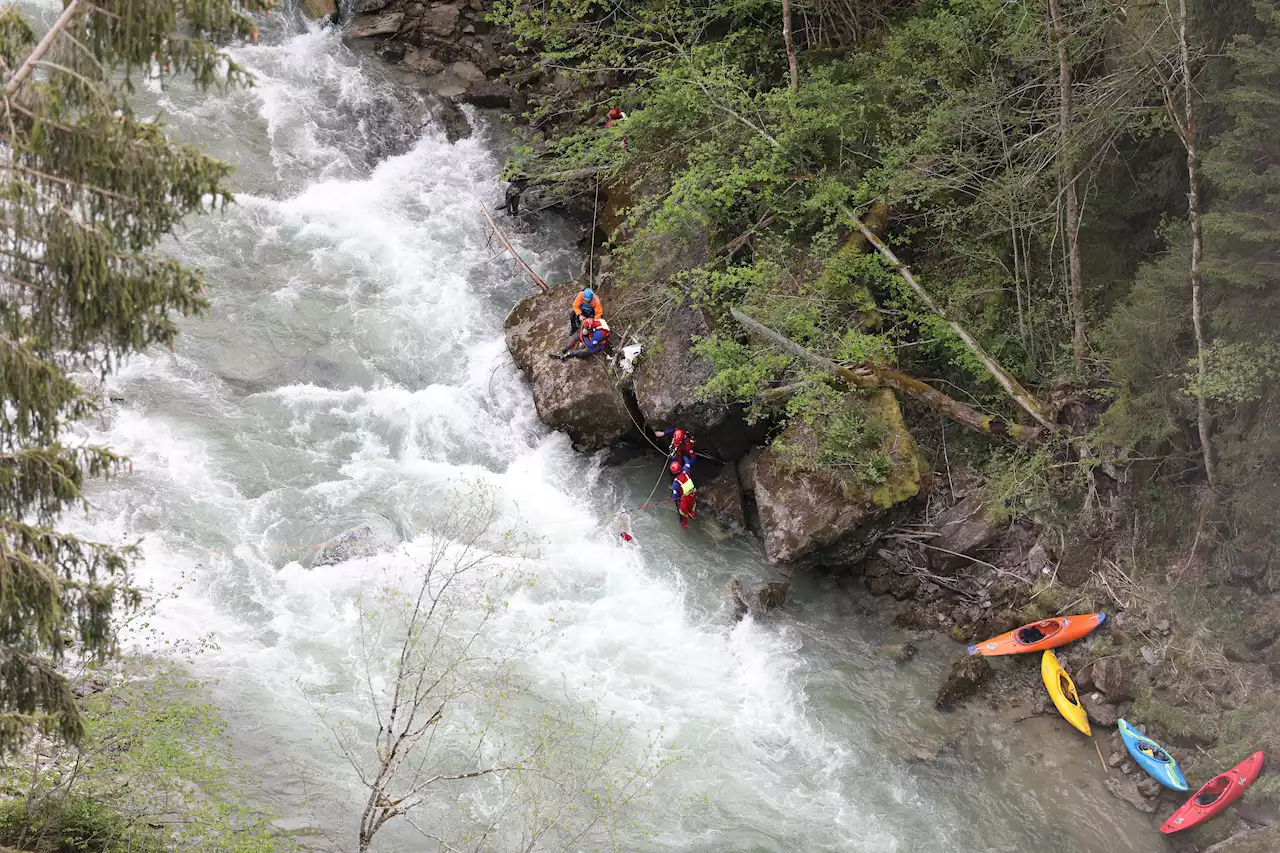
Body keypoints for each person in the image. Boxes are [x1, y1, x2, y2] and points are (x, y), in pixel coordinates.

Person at [670, 460, 696, 529]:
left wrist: (677, 506)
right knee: (691, 507)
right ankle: (691, 513)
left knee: (682, 513)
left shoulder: (675, 483)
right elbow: (688, 462)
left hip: (686, 499)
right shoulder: (686, 470)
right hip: (693, 494)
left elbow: (675, 496)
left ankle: (684, 527)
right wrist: (684, 456)